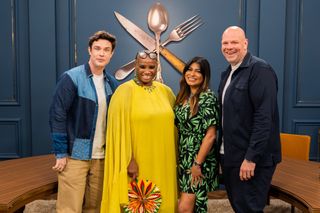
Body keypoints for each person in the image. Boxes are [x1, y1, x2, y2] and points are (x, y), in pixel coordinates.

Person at [49, 30, 119, 213]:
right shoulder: (71, 78)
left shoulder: (112, 83)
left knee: (95, 208)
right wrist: (60, 152)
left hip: (102, 157)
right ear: (89, 50)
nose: (101, 53)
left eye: (106, 49)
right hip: (74, 155)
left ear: (111, 54)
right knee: (69, 208)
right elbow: (58, 115)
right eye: (97, 48)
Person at [101, 50, 178, 212]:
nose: (147, 71)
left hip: (164, 161)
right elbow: (118, 132)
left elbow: (177, 126)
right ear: (135, 66)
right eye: (142, 66)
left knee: (166, 204)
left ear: (157, 67)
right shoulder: (124, 92)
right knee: (140, 205)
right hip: (137, 163)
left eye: (151, 67)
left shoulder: (166, 91)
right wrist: (129, 159)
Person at [218, 26, 281, 213]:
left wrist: (251, 158)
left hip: (251, 159)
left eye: (234, 42)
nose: (229, 47)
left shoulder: (259, 70)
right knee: (240, 207)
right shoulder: (228, 73)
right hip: (230, 155)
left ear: (245, 44)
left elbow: (264, 118)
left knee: (250, 209)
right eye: (225, 43)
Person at [174, 56, 220, 213]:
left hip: (199, 159)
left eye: (198, 71)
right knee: (190, 205)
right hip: (184, 157)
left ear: (204, 76)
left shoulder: (207, 97)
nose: (192, 74)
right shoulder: (183, 97)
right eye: (189, 69)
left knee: (184, 208)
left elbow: (211, 135)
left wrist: (197, 164)